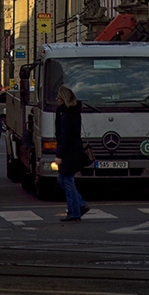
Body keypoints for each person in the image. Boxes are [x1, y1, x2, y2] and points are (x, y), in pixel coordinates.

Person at [55, 85, 89, 223]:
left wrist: (59, 155)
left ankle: (74, 212)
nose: (56, 98)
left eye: (58, 96)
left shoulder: (66, 115)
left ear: (63, 98)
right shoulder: (72, 112)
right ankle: (80, 204)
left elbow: (65, 137)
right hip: (74, 150)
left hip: (69, 152)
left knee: (67, 181)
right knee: (63, 180)